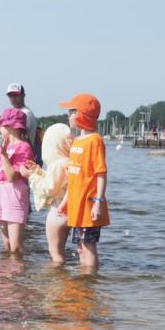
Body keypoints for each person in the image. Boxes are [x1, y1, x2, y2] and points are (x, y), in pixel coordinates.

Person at [57, 93, 109, 270]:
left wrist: (98, 202)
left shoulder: (95, 141)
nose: (68, 116)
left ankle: (90, 280)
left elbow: (101, 173)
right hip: (76, 205)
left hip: (89, 204)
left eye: (71, 112)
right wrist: (65, 203)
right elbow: (73, 179)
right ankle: (83, 283)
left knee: (88, 246)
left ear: (81, 116)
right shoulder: (77, 141)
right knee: (80, 247)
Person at [0, 108, 34, 253]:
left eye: (1, 125)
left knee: (16, 247)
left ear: (11, 127)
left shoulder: (24, 147)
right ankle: (6, 274)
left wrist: (4, 155)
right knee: (7, 246)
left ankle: (19, 273)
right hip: (0, 195)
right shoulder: (2, 148)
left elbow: (11, 176)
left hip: (14, 195)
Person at [17, 123, 73, 263]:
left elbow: (49, 188)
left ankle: (55, 279)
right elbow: (58, 182)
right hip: (68, 213)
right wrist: (39, 171)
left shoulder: (57, 164)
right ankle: (62, 278)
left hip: (57, 214)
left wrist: (31, 176)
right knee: (61, 249)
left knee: (55, 253)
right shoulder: (69, 162)